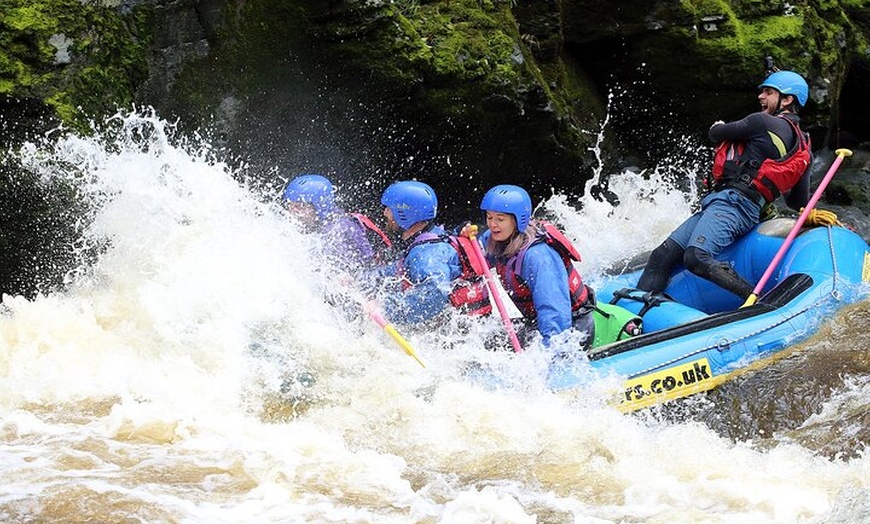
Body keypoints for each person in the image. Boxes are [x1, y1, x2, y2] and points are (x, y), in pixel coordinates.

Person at [636, 69, 827, 300]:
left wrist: (717, 125)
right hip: (734, 206)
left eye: (768, 92)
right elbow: (797, 201)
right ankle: (639, 309)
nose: (761, 97)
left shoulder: (761, 122)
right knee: (662, 255)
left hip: (732, 205)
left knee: (696, 256)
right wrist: (810, 217)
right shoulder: (804, 149)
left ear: (787, 100)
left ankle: (757, 299)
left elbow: (716, 133)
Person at [477, 184, 596, 347]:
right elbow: (474, 255)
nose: (492, 224)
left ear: (518, 220)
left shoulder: (538, 257)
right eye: (489, 217)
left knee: (494, 345)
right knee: (484, 338)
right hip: (536, 323)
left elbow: (554, 313)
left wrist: (550, 358)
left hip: (573, 329)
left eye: (500, 218)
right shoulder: (497, 238)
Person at [375, 180, 491, 325]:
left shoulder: (426, 254)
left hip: (458, 336)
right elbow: (398, 270)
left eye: (389, 209)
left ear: (405, 213)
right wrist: (362, 282)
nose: (385, 213)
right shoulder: (435, 235)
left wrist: (384, 309)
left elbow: (436, 294)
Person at [282, 174, 391, 271]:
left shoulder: (341, 229)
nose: (294, 212)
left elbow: (366, 267)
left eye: (300, 206)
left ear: (320, 207)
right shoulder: (300, 225)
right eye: (290, 205)